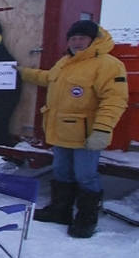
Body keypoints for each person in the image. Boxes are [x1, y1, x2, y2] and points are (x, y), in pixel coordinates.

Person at [18, 21, 128, 238]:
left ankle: (87, 217)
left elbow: (115, 100)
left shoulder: (108, 64)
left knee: (86, 176)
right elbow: (48, 78)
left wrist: (102, 130)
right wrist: (22, 72)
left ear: (93, 40)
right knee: (61, 172)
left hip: (86, 136)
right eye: (73, 38)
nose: (77, 42)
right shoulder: (65, 62)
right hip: (60, 133)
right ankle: (60, 211)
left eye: (82, 38)